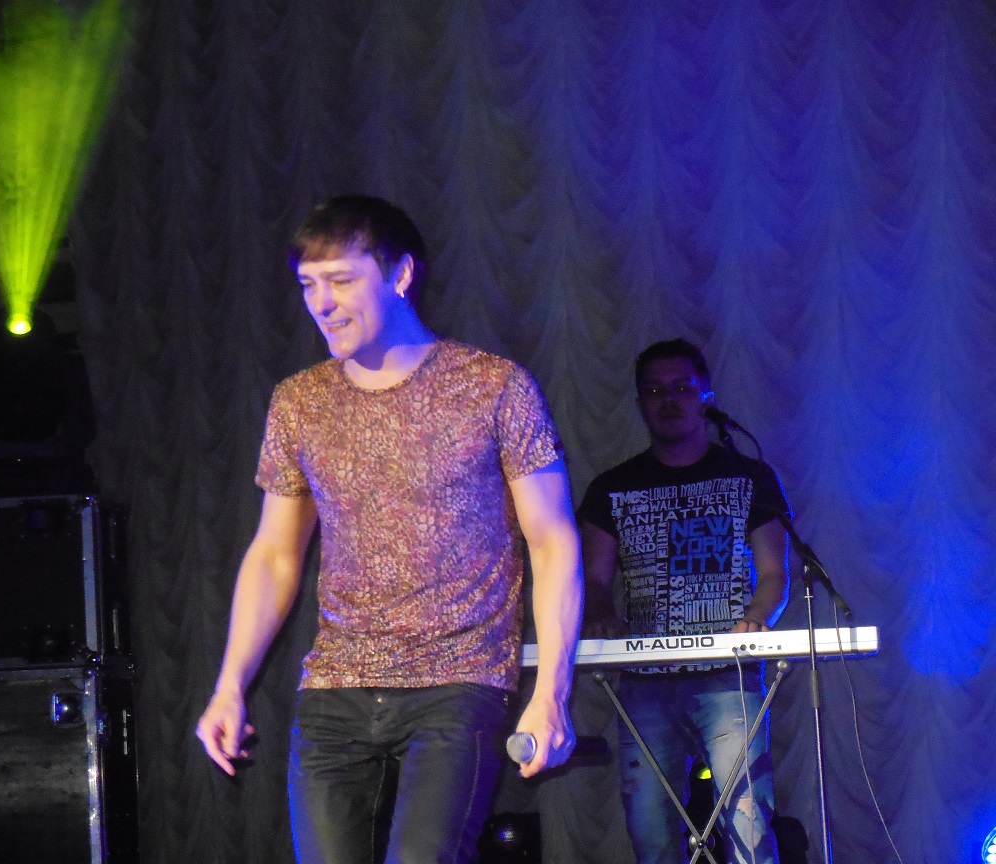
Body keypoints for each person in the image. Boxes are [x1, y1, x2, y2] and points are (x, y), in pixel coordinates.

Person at [196, 195, 584, 864]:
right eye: (308, 285)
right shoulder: (299, 402)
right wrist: (230, 683)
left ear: (400, 274)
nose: (321, 303)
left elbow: (552, 541)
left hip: (458, 683)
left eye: (341, 280)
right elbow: (276, 554)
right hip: (336, 691)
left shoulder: (494, 387)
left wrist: (551, 691)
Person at [576, 338, 789, 864]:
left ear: (706, 396)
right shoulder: (612, 488)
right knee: (650, 831)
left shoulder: (749, 477)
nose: (668, 400)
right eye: (654, 391)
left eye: (681, 388)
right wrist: (601, 616)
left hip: (728, 677)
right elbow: (592, 580)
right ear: (639, 403)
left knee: (748, 827)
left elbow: (774, 573)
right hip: (646, 680)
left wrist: (755, 619)